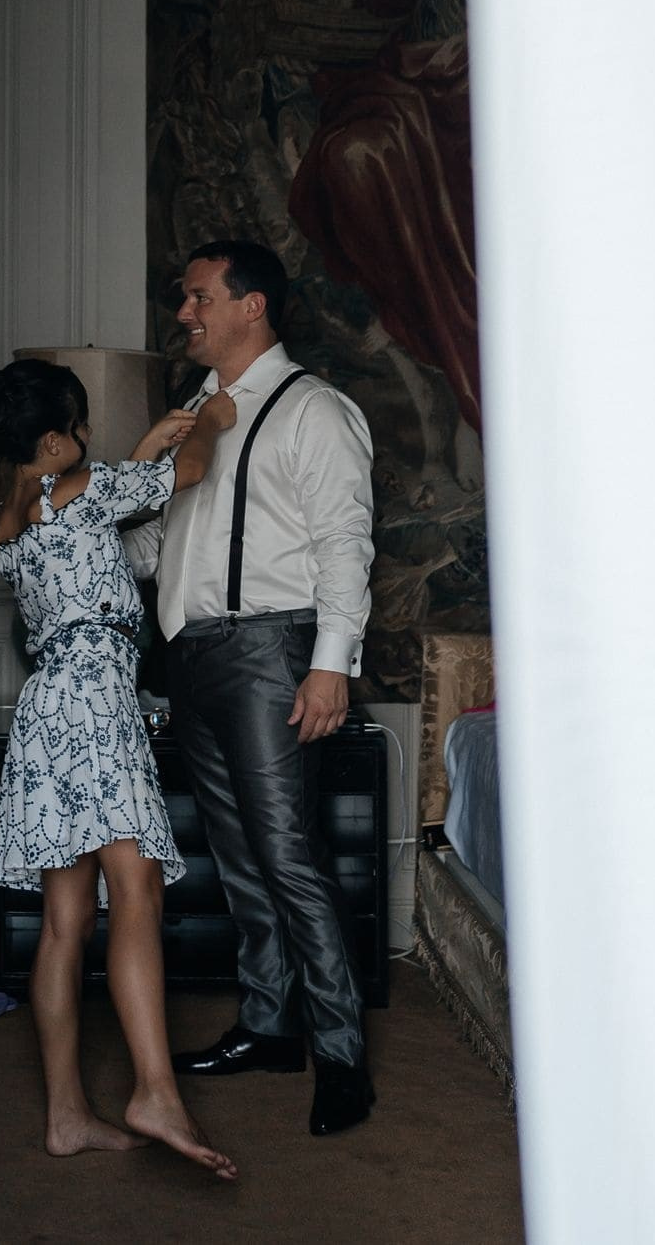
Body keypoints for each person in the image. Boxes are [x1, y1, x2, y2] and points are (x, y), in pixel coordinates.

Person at [0, 359, 237, 1181]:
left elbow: (111, 489)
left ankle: (67, 1116)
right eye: (77, 429)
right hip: (96, 706)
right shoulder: (86, 492)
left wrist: (135, 451)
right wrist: (209, 419)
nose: (85, 440)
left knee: (66, 920)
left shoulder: (1, 517)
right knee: (137, 892)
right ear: (50, 440)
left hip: (47, 708)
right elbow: (182, 474)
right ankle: (154, 1092)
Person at [122, 240, 377, 1138]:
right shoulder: (193, 413)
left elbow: (343, 541)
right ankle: (270, 1026)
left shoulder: (314, 410)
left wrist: (329, 663)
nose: (183, 312)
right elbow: (160, 546)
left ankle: (340, 1055)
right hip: (192, 656)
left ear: (250, 305)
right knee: (236, 857)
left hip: (273, 650)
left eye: (196, 297)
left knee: (289, 857)